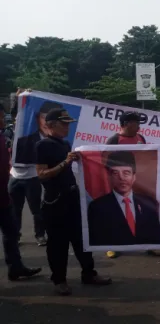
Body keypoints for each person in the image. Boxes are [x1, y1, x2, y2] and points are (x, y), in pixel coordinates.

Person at [36, 108, 111, 296]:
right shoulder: (42, 146)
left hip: (72, 198)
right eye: (64, 124)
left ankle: (89, 273)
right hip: (55, 202)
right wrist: (65, 163)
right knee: (58, 245)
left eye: (69, 124)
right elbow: (42, 175)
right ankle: (59, 280)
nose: (68, 127)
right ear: (51, 125)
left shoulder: (65, 143)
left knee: (82, 240)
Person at [105, 111, 160, 258]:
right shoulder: (113, 140)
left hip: (140, 183)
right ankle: (113, 246)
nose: (139, 127)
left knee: (146, 214)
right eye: (136, 123)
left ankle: (150, 244)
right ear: (126, 124)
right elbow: (105, 163)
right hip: (121, 185)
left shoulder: (141, 138)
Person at [0, 104, 42, 281]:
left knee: (10, 232)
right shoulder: (9, 134)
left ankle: (16, 267)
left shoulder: (31, 135)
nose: (4, 120)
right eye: (2, 117)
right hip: (12, 182)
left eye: (4, 116)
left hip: (4, 195)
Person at [87, 151, 160, 246]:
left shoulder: (148, 203)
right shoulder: (97, 207)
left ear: (134, 177)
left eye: (126, 173)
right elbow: (96, 239)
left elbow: (155, 235)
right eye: (115, 173)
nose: (121, 178)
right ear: (109, 177)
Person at [9, 88, 47, 246]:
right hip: (15, 177)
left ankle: (39, 235)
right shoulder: (12, 133)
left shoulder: (36, 136)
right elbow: (14, 113)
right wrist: (17, 100)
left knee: (36, 210)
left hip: (32, 177)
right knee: (15, 210)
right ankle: (16, 235)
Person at [15, 100, 62, 164]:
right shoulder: (22, 143)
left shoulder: (65, 147)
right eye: (43, 118)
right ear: (37, 118)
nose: (47, 123)